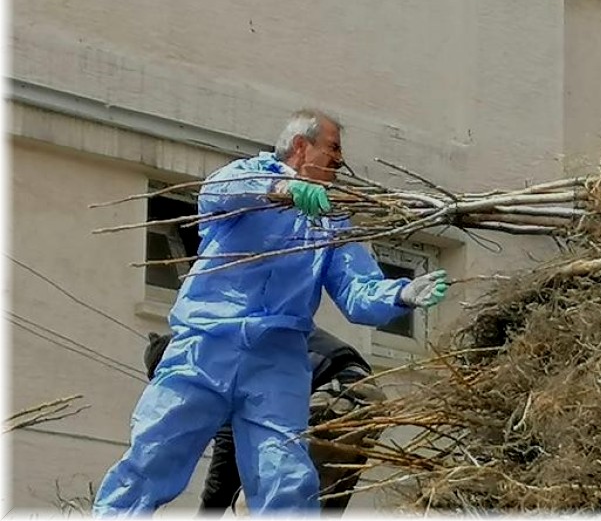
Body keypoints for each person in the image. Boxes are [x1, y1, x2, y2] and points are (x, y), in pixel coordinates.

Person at [94, 109, 450, 515]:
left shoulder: (331, 219)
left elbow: (356, 290)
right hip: (207, 343)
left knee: (286, 479)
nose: (340, 161)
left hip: (277, 360)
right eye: (333, 148)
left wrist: (402, 293)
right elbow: (217, 191)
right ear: (301, 146)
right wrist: (283, 187)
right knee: (153, 456)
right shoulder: (249, 177)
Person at [141, 327, 384, 514]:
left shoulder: (213, 359)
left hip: (336, 393)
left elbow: (227, 454)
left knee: (255, 505)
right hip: (361, 395)